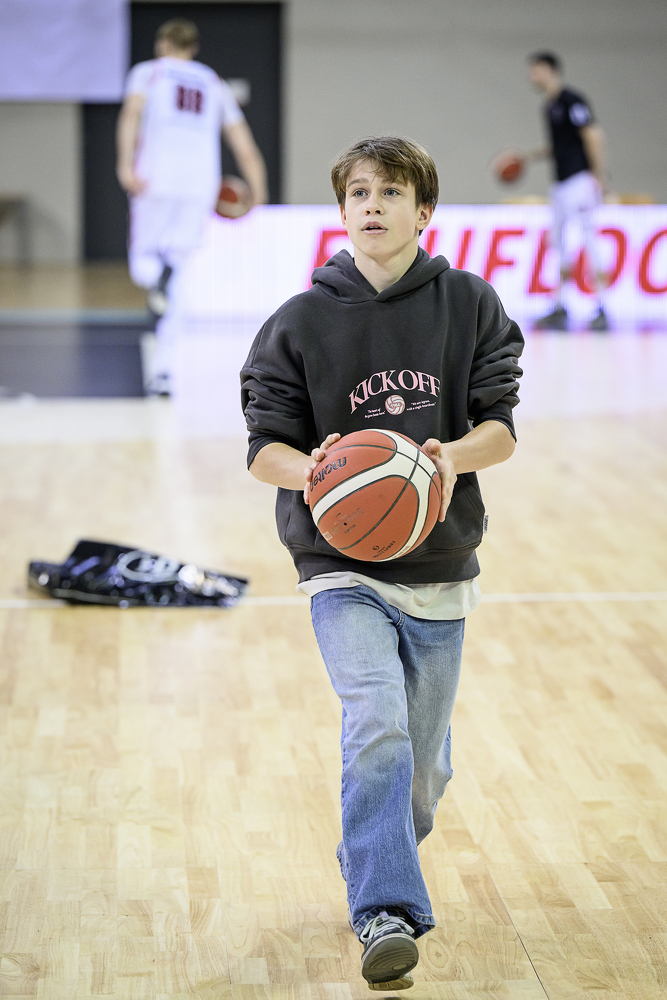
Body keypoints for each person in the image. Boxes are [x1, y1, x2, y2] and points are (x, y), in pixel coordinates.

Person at [241, 136, 523, 990]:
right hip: (338, 564)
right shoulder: (298, 320)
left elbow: (500, 431)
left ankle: (374, 851)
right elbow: (264, 448)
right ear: (341, 211)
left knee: (422, 768)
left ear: (423, 211)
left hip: (439, 561)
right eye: (359, 193)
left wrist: (444, 460)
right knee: (376, 723)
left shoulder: (468, 303)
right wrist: (318, 473)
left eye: (391, 192)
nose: (372, 205)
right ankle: (384, 911)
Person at [116, 18, 267, 392]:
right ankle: (164, 371)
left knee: (143, 262)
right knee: (182, 273)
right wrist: (258, 192)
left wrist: (125, 164)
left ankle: (157, 275)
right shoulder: (213, 81)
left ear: (163, 44)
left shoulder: (148, 72)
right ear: (194, 48)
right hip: (200, 185)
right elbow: (243, 144)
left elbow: (131, 114)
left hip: (155, 178)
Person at [522, 51, 609, 331]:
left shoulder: (572, 100)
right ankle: (560, 305)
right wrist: (531, 156)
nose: (532, 76)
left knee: (588, 238)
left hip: (579, 180)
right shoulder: (549, 106)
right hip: (560, 184)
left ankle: (602, 306)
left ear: (551, 70)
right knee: (557, 241)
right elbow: (563, 145)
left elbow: (593, 135)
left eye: (536, 70)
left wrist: (597, 174)